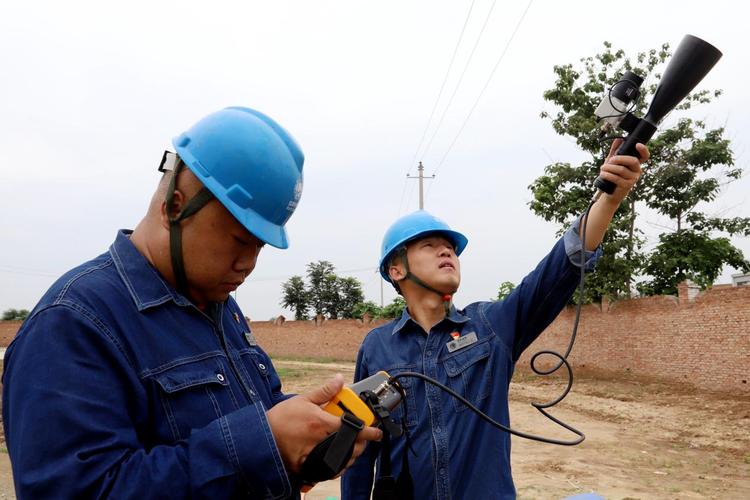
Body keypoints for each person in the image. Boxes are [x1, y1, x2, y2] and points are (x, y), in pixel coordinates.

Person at [2, 106, 381, 499]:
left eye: (260, 246)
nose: (248, 264)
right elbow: (79, 490)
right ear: (175, 206)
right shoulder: (73, 324)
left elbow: (253, 409)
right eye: (238, 240)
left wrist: (310, 426)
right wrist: (261, 444)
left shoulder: (220, 308)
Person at [341, 140, 648, 499]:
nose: (447, 251)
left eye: (451, 248)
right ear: (396, 270)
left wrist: (608, 199)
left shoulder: (489, 326)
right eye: (429, 245)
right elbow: (360, 450)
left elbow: (556, 271)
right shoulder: (377, 347)